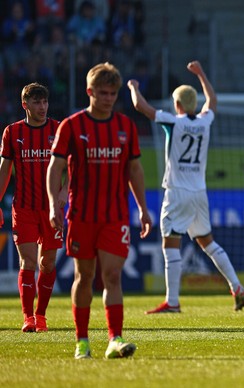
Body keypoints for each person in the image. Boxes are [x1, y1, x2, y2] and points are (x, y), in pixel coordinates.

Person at [46, 62, 152, 359]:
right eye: (102, 93)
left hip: (115, 215)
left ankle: (114, 339)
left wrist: (143, 209)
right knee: (84, 276)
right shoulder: (72, 125)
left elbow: (135, 168)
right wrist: (54, 201)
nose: (108, 98)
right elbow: (55, 165)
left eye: (113, 93)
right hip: (81, 215)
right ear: (90, 91)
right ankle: (81, 340)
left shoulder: (125, 127)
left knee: (113, 276)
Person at [127, 60, 244, 313]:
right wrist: (202, 74)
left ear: (177, 104)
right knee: (208, 242)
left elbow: (140, 106)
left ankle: (172, 301)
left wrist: (133, 86)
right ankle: (236, 285)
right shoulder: (204, 122)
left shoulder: (174, 122)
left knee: (170, 244)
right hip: (199, 192)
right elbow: (212, 101)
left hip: (177, 191)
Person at [0, 83, 67, 333]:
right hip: (24, 208)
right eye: (37, 103)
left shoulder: (59, 129)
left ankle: (41, 315)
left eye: (45, 102)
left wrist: (63, 190)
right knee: (27, 262)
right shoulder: (12, 132)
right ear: (25, 105)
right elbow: (5, 170)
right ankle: (28, 317)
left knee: (47, 263)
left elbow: (73, 166)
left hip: (51, 210)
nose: (43, 107)